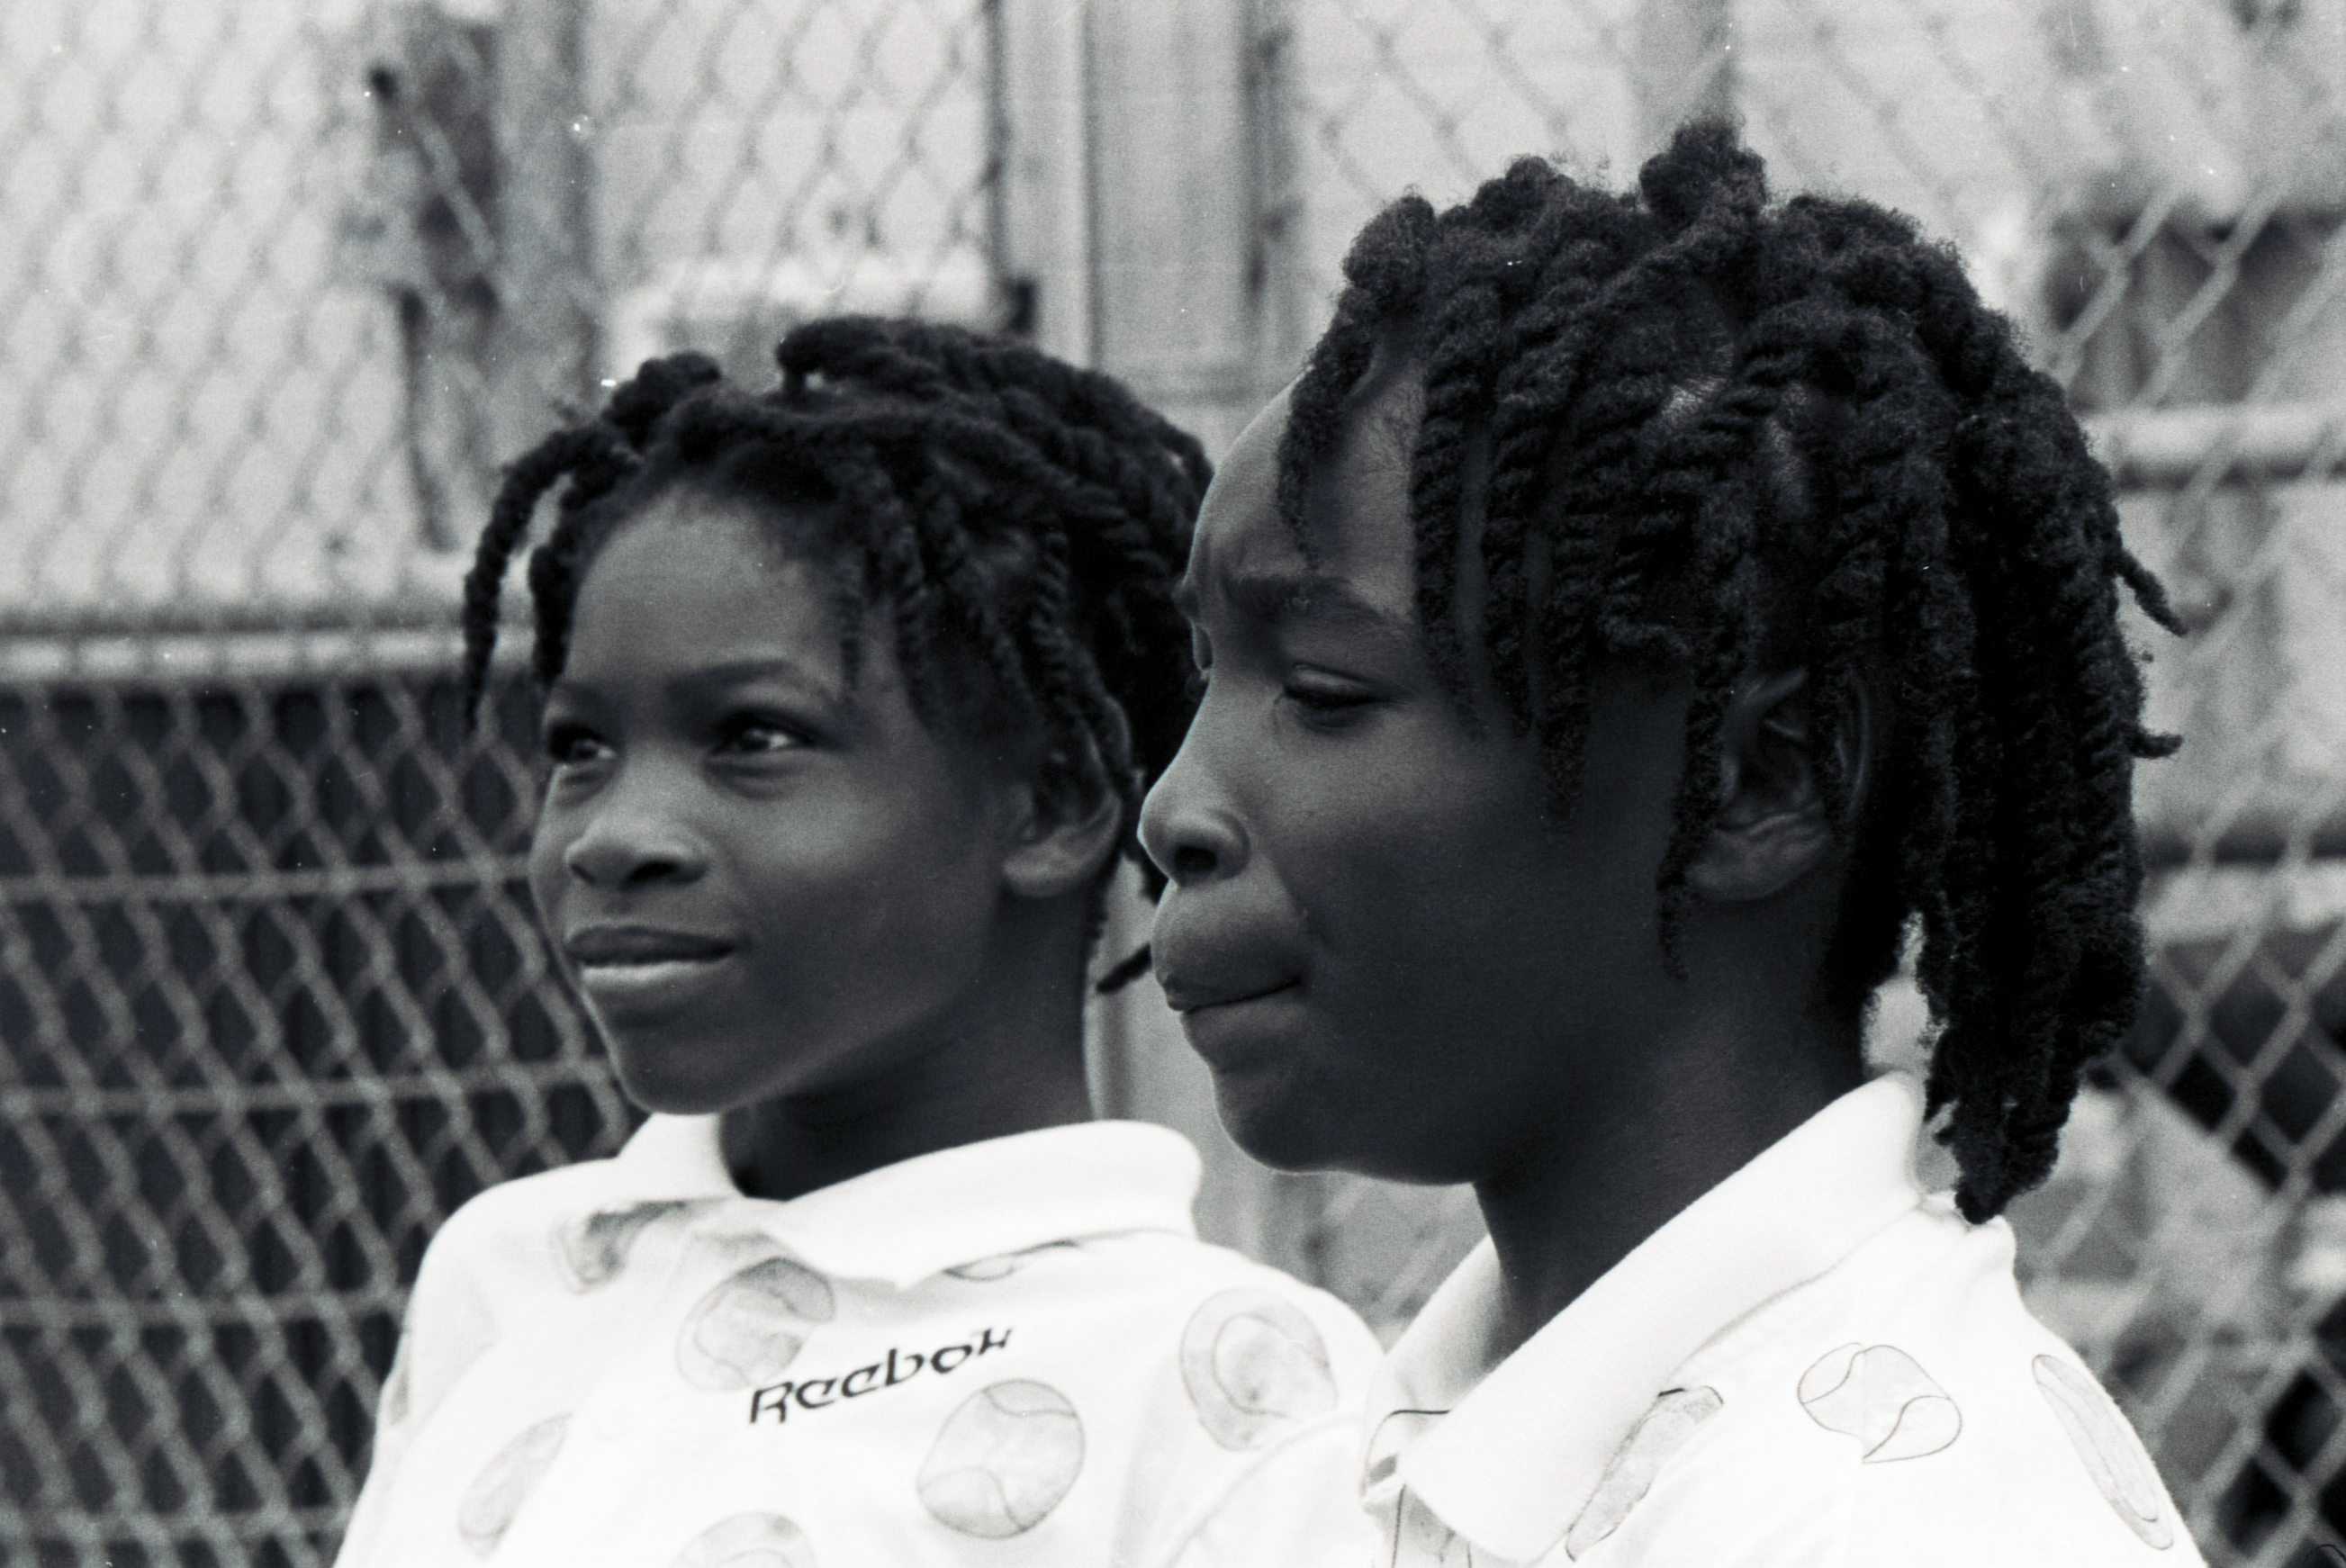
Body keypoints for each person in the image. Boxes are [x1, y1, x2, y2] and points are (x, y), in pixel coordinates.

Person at [1140, 123, 2205, 1566]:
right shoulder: (1448, 1434)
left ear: (1743, 783)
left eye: (1322, 692)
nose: (1173, 805)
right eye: (1209, 672)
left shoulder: (1876, 1521)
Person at [334, 318, 1380, 1568]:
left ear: (1045, 802)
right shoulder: (508, 1275)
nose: (611, 835)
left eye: (753, 737)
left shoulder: (1224, 1386)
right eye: (579, 747)